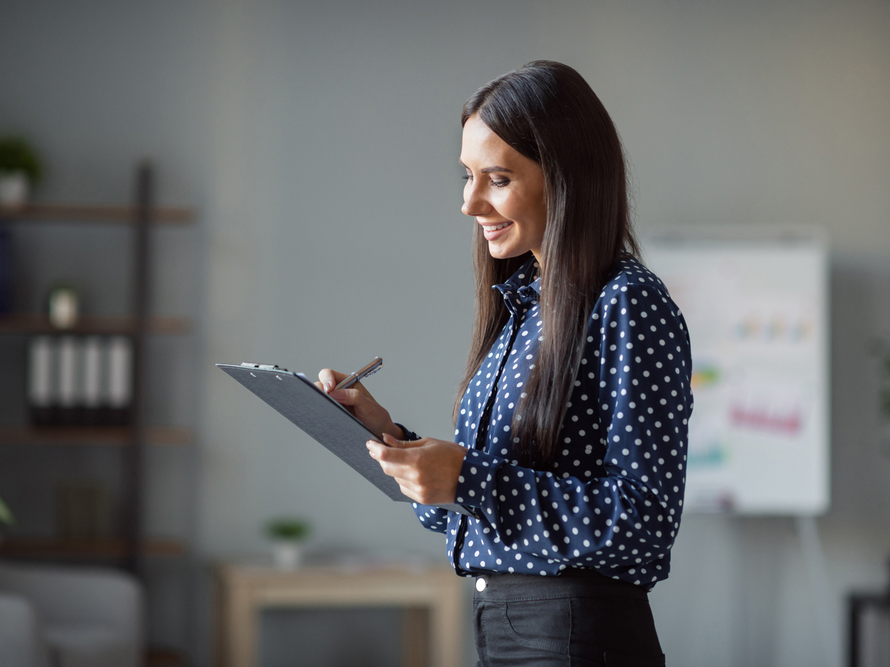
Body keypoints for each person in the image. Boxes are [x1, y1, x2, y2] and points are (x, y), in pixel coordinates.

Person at [317, 60, 693, 667]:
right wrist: (388, 436)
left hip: (574, 638)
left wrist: (466, 478)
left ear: (565, 178)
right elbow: (478, 512)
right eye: (467, 175)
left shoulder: (627, 302)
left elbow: (642, 522)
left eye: (496, 178)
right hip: (507, 631)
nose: (469, 203)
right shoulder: (521, 308)